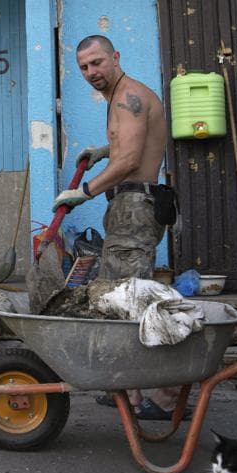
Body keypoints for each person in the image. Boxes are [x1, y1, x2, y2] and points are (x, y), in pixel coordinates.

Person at [52, 34, 184, 421]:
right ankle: (129, 388)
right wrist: (101, 150)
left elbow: (129, 161)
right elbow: (129, 144)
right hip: (131, 208)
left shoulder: (129, 97)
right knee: (118, 297)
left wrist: (84, 192)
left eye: (97, 62)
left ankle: (163, 397)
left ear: (116, 57)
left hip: (135, 207)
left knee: (130, 302)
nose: (91, 72)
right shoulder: (123, 97)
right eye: (84, 67)